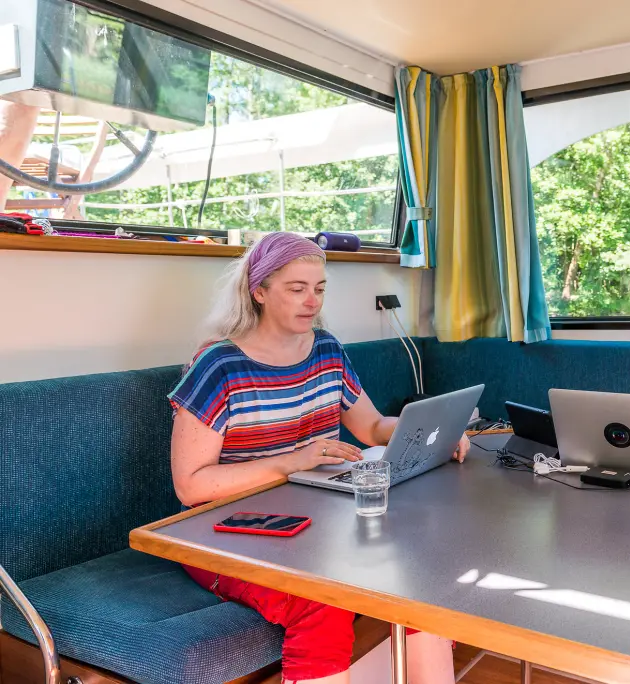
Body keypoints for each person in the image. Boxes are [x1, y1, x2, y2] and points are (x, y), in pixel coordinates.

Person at [168, 231, 468, 684]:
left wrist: (435, 430)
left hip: (312, 520)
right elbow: (191, 486)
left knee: (416, 569)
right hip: (224, 531)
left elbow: (371, 427)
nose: (312, 301)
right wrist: (290, 461)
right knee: (322, 601)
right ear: (259, 291)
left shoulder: (326, 349)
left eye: (320, 288)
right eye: (297, 289)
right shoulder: (218, 366)